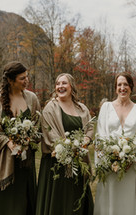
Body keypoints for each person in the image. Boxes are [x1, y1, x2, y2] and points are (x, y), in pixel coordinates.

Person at [0, 61, 41, 215]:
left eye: (27, 77)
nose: (26, 81)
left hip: (25, 162)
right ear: (10, 80)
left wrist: (27, 141)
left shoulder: (32, 98)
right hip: (3, 159)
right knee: (4, 201)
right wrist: (8, 143)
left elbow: (38, 125)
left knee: (23, 201)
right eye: (22, 78)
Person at [94, 72, 136, 215]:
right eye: (119, 85)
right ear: (115, 88)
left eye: (125, 84)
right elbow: (101, 135)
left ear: (131, 87)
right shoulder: (106, 107)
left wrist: (131, 159)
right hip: (111, 167)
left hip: (132, 166)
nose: (122, 88)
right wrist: (111, 158)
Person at [36, 73, 94, 215]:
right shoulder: (50, 108)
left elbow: (90, 127)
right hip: (57, 164)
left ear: (71, 86)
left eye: (64, 83)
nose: (60, 86)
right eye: (57, 84)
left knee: (75, 201)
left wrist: (86, 139)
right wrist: (69, 148)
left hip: (78, 163)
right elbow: (50, 134)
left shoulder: (82, 108)